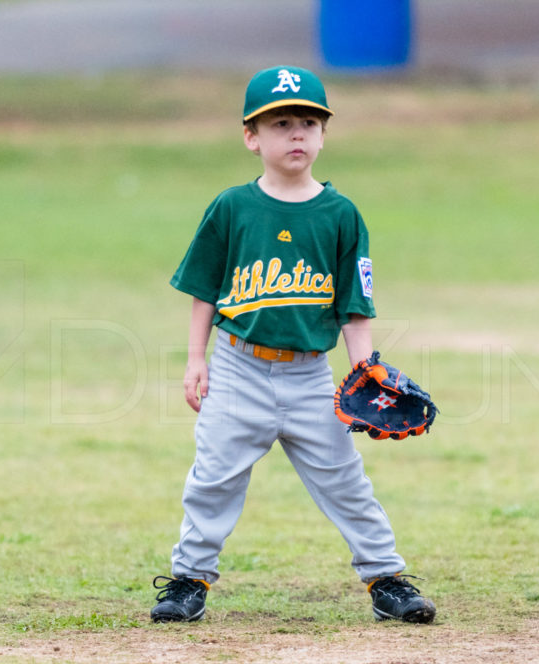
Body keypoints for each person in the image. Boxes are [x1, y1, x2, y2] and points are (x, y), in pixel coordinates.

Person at [152, 65, 435, 625]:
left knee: (346, 481)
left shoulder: (341, 214)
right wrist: (194, 361)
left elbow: (355, 303)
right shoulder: (232, 208)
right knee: (213, 477)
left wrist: (366, 374)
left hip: (310, 377)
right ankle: (189, 580)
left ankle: (386, 579)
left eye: (308, 122)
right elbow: (204, 291)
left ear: (324, 134)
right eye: (281, 124)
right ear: (252, 137)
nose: (297, 134)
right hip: (237, 369)